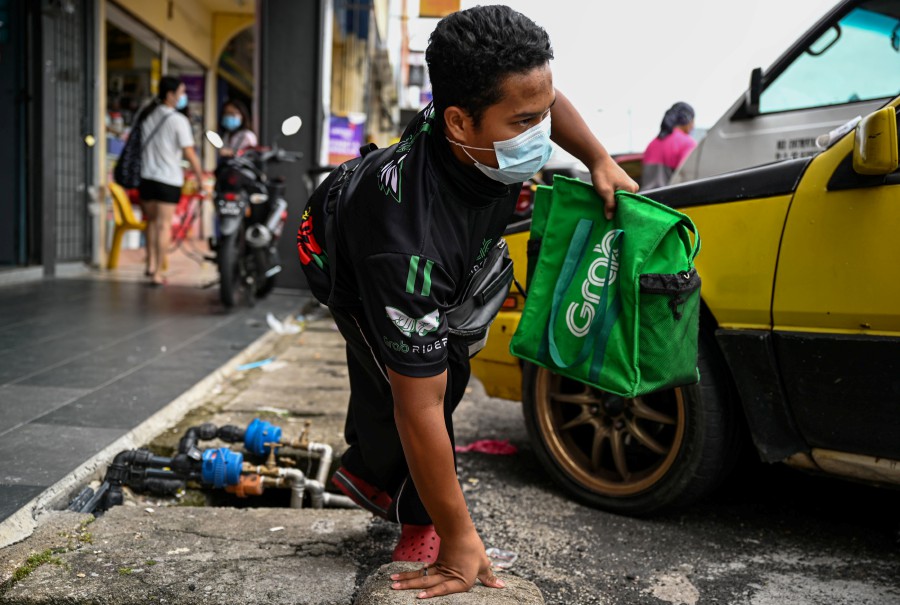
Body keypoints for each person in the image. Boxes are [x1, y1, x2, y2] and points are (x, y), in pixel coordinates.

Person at [297, 5, 637, 599]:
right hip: (347, 262)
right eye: (524, 122)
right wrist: (461, 537)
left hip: (433, 247)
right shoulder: (407, 246)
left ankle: (372, 478)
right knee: (426, 384)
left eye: (541, 115)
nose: (540, 133)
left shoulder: (483, 114)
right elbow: (420, 406)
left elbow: (546, 101)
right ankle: (423, 519)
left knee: (411, 375)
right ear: (458, 122)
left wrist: (599, 158)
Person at [137, 75, 205, 285]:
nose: (183, 97)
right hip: (168, 180)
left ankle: (149, 264)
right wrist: (201, 178)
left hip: (146, 178)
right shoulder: (178, 120)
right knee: (163, 225)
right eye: (182, 93)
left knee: (151, 223)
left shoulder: (146, 115)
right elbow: (190, 153)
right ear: (170, 95)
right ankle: (158, 272)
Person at [640, 102, 697, 190]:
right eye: (693, 121)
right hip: (671, 201)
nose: (693, 126)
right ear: (687, 120)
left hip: (646, 200)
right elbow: (690, 179)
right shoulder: (687, 143)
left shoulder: (651, 144)